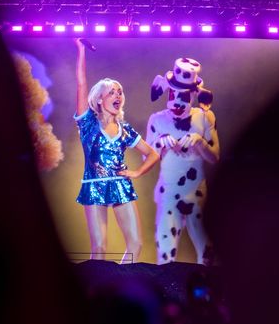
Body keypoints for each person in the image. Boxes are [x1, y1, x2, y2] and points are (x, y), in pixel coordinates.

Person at [74, 38, 159, 263]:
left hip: (121, 185)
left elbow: (153, 154)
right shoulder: (88, 124)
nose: (118, 96)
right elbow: (82, 84)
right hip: (94, 185)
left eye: (120, 92)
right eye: (112, 92)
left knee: (136, 244)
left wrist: (137, 173)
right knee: (100, 248)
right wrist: (81, 51)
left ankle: (121, 283)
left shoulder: (125, 129)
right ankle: (97, 292)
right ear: (100, 99)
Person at [146, 58, 219, 265]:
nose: (177, 102)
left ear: (195, 95)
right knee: (165, 254)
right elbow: (146, 158)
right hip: (168, 193)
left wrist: (199, 141)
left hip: (197, 192)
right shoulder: (157, 120)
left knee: (207, 254)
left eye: (184, 96)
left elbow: (215, 156)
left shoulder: (205, 118)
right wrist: (160, 143)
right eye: (173, 94)